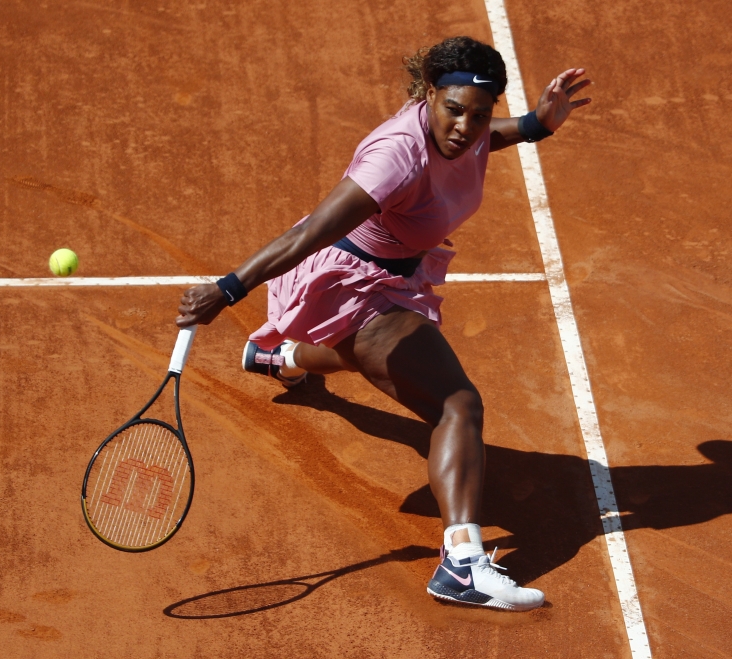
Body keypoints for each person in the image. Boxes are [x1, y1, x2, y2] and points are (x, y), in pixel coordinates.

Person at [176, 35, 591, 611]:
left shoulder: (466, 127)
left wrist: (534, 125)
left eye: (479, 113)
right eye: (454, 110)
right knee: (455, 405)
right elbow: (309, 233)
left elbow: (479, 142)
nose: (465, 127)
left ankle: (280, 358)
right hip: (347, 283)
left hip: (394, 273)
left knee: (379, 362)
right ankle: (463, 566)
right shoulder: (394, 155)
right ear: (429, 95)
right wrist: (228, 288)